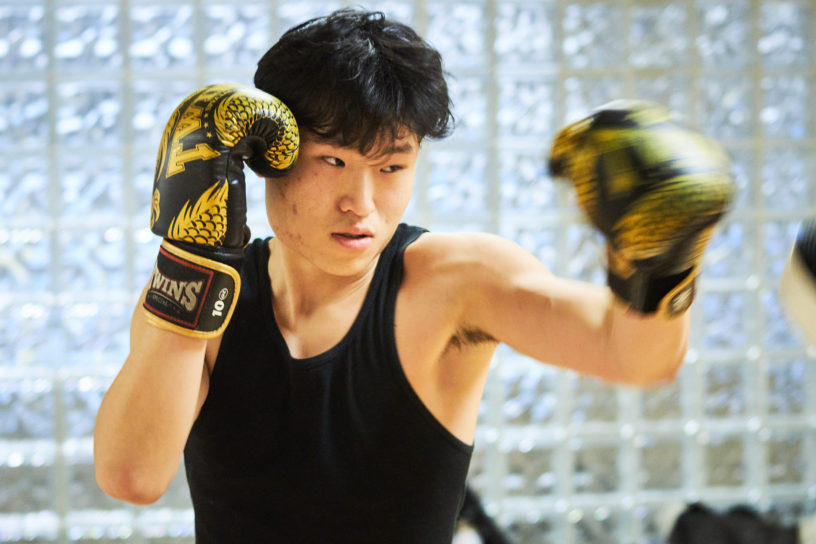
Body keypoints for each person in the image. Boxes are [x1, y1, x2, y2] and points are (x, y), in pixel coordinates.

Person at [93, 8, 735, 543]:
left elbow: (631, 355)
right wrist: (190, 254)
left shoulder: (455, 281)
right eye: (333, 160)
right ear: (268, 157)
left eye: (393, 168)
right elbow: (132, 476)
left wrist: (661, 265)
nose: (362, 203)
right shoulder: (204, 296)